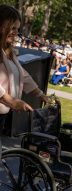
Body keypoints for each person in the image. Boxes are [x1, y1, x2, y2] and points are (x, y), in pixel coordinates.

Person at [0, 5, 49, 154]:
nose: (15, 33)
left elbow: (22, 74)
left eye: (17, 29)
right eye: (13, 28)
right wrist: (12, 101)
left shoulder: (8, 50)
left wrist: (40, 94)